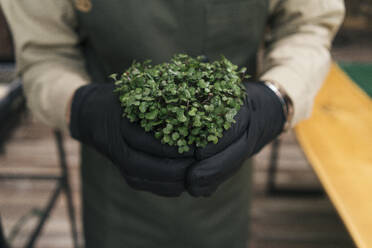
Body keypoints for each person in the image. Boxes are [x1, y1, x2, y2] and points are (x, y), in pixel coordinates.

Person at [1, 0, 344, 247]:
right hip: (114, 185)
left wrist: (275, 98)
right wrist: (82, 107)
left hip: (228, 177)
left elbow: (307, 25)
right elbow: (44, 55)